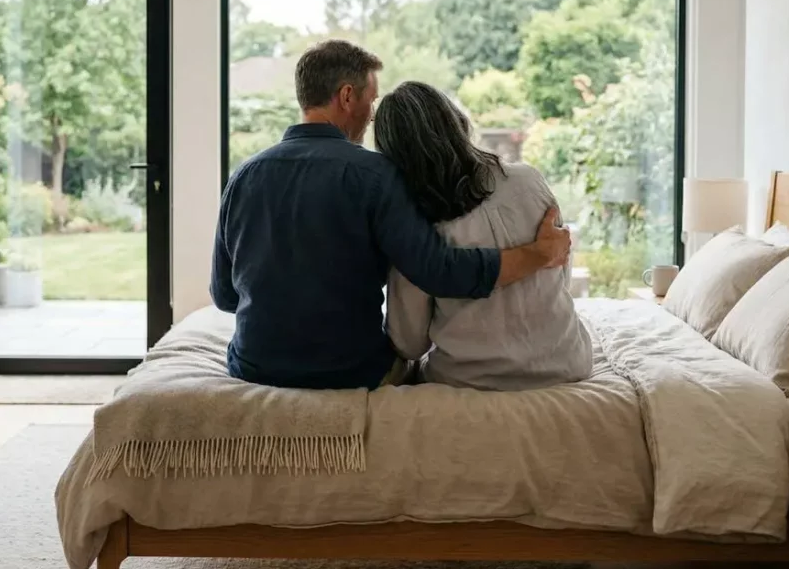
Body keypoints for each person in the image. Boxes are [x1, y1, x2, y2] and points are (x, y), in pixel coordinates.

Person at [210, 40, 570, 390]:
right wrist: (538, 254)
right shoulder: (376, 175)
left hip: (253, 367)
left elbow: (225, 296)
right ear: (347, 96)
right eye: (371, 99)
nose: (371, 114)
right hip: (351, 372)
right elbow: (437, 270)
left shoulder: (243, 177)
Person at [376, 81, 593, 391]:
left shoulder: (417, 224)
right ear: (457, 122)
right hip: (567, 364)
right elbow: (561, 273)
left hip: (468, 378)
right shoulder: (529, 180)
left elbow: (409, 343)